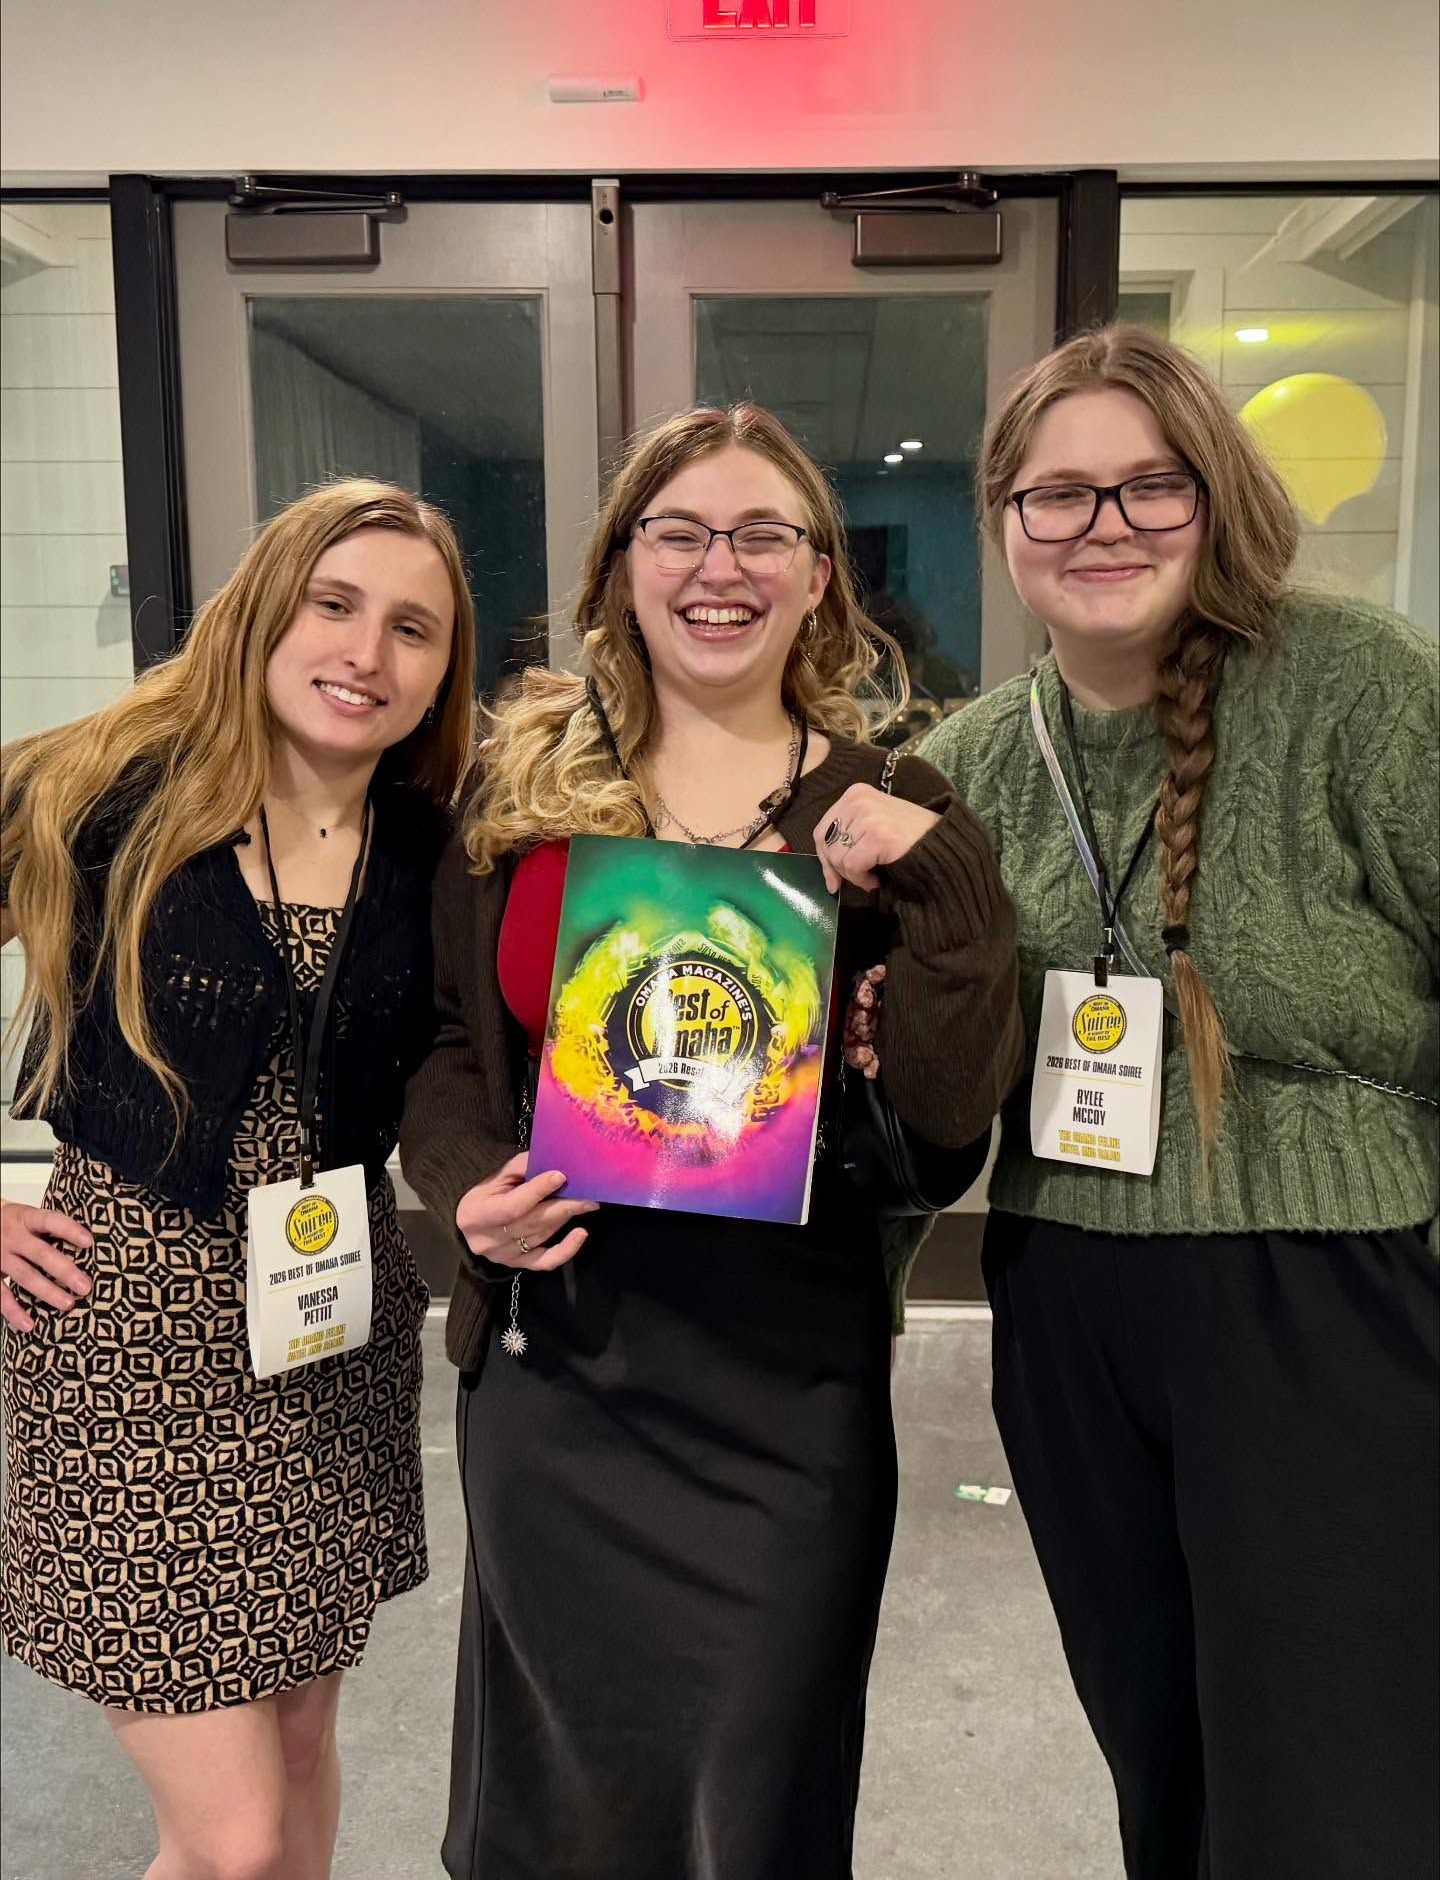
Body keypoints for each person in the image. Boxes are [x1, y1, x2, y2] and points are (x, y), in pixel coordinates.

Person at [399, 402, 1023, 1880]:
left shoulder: (896, 803)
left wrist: (942, 886)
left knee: (758, 1799)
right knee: (553, 1803)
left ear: (821, 576)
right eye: (677, 533)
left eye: (762, 534)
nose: (717, 567)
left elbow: (942, 1121)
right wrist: (461, 1192)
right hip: (560, 1371)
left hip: (782, 1387)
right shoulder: (521, 788)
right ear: (622, 567)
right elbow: (440, 1043)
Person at [918, 326, 1439, 1880]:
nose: (1104, 527)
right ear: (1004, 524)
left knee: (1337, 1780)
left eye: (1152, 487)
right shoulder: (973, 763)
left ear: (1216, 499)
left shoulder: (1356, 687)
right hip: (1068, 1301)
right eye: (1058, 495)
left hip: (1321, 1292)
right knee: (1161, 1752)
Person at [0, 480, 476, 1880]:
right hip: (128, 1339)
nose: (366, 654)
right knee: (236, 1837)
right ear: (264, 610)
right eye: (334, 606)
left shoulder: (434, 849)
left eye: (413, 629)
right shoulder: (99, 793)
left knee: (299, 1761)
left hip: (330, 1339)